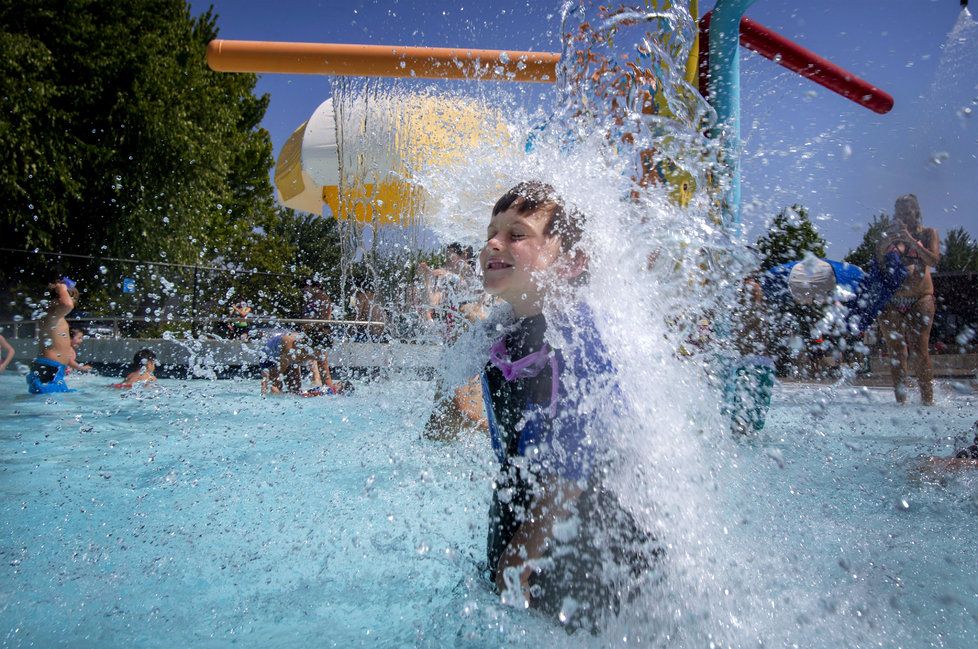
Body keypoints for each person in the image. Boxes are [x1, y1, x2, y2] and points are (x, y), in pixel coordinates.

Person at [476, 181, 658, 631]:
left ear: (572, 263)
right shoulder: (496, 331)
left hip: (587, 531)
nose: (494, 244)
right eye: (491, 232)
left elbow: (578, 454)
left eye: (517, 235)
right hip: (525, 511)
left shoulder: (576, 330)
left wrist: (521, 554)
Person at [876, 194, 941, 405]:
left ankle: (927, 402)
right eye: (900, 211)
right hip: (892, 300)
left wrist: (910, 240)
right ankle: (901, 403)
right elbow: (878, 263)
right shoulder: (889, 236)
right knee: (896, 352)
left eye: (908, 211)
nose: (904, 215)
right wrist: (886, 241)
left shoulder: (929, 233)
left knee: (920, 349)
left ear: (916, 212)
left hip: (920, 298)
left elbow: (933, 259)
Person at [27, 278, 79, 394]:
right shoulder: (52, 314)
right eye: (72, 297)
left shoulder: (53, 315)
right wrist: (62, 288)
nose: (74, 302)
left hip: (52, 368)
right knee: (47, 405)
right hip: (49, 368)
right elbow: (67, 304)